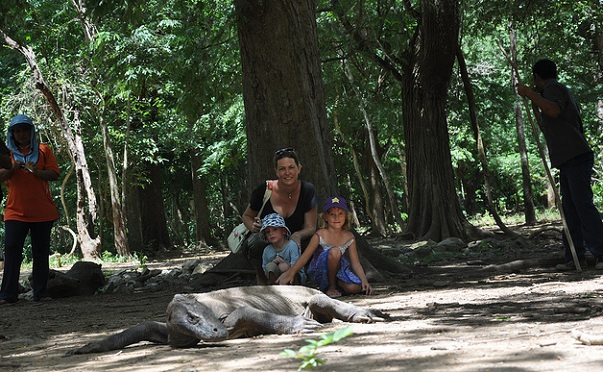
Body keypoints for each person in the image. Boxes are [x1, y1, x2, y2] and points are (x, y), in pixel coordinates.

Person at [516, 59, 603, 271]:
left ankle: (600, 253)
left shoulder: (554, 89)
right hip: (567, 159)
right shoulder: (550, 92)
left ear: (538, 76)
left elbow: (553, 111)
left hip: (576, 156)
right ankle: (575, 256)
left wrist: (530, 93)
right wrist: (534, 101)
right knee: (570, 209)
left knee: (582, 205)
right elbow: (547, 122)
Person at [0, 114, 60, 304]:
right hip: (15, 211)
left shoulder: (43, 150)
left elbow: (54, 174)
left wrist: (36, 171)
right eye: (17, 131)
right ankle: (8, 295)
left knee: (41, 252)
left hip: (43, 211)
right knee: (11, 250)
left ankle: (41, 294)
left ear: (31, 132)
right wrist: (13, 169)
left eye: (25, 130)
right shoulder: (6, 154)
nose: (22, 134)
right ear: (12, 133)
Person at [241, 147, 318, 284]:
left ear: (299, 168)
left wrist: (298, 235)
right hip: (268, 242)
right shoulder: (264, 190)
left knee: (316, 240)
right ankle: (263, 279)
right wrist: (253, 226)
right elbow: (247, 216)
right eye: (282, 169)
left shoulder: (307, 190)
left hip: (297, 244)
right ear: (276, 171)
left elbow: (311, 227)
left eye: (291, 167)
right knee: (255, 242)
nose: (287, 173)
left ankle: (299, 276)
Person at [276, 196, 373, 298]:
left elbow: (355, 263)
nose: (336, 218)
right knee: (335, 251)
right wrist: (291, 273)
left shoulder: (349, 236)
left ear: (346, 216)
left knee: (355, 288)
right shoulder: (320, 234)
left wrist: (364, 281)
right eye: (332, 214)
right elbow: (305, 257)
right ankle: (331, 287)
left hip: (340, 271)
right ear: (325, 217)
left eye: (340, 214)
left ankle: (339, 285)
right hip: (321, 271)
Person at [260, 213, 306, 284]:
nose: (271, 233)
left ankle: (290, 289)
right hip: (277, 278)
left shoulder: (292, 246)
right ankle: (275, 287)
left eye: (275, 229)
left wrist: (287, 270)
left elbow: (296, 266)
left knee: (283, 266)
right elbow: (264, 267)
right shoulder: (267, 250)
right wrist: (273, 262)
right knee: (270, 266)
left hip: (294, 276)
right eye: (268, 232)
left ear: (283, 231)